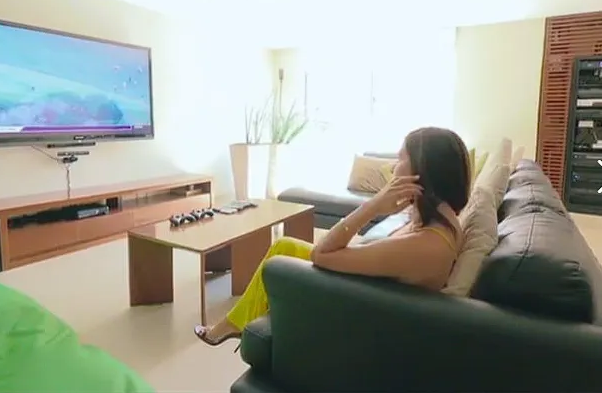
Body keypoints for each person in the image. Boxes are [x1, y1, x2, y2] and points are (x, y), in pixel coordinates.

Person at [194, 127, 471, 347]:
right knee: (284, 245)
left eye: (400, 160)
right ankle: (234, 323)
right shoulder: (441, 223)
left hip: (351, 304)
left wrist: (373, 205)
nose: (392, 168)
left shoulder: (427, 245)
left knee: (278, 260)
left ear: (422, 172)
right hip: (367, 291)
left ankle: (233, 325)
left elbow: (321, 254)